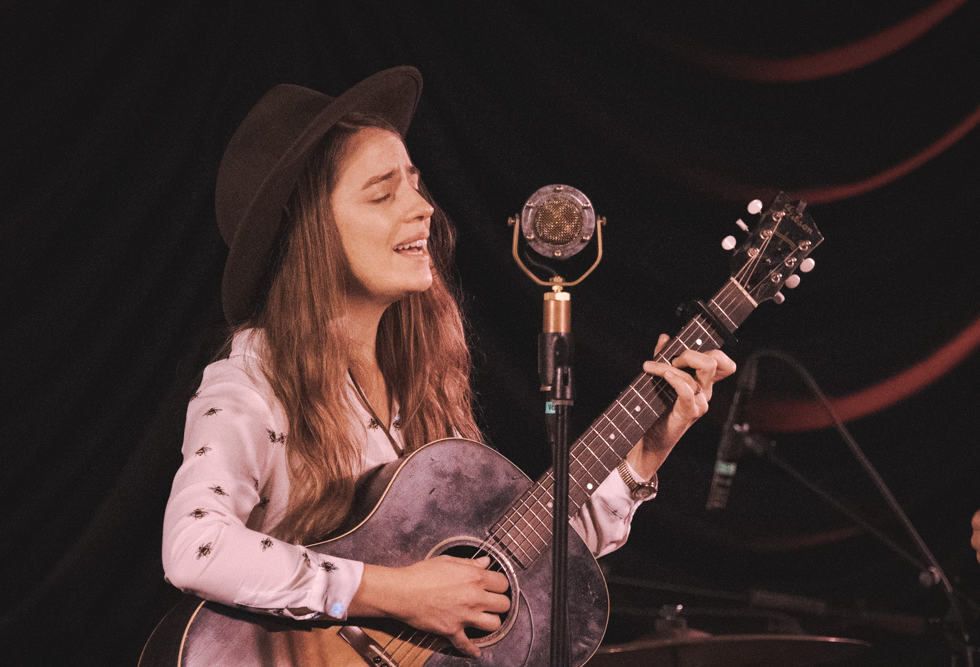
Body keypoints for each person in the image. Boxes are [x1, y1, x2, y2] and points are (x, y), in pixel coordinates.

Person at [161, 66, 736, 659]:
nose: (423, 208)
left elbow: (518, 563)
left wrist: (646, 453)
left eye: (415, 183)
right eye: (384, 193)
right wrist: (397, 593)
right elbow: (195, 544)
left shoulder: (420, 381)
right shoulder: (251, 383)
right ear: (310, 233)